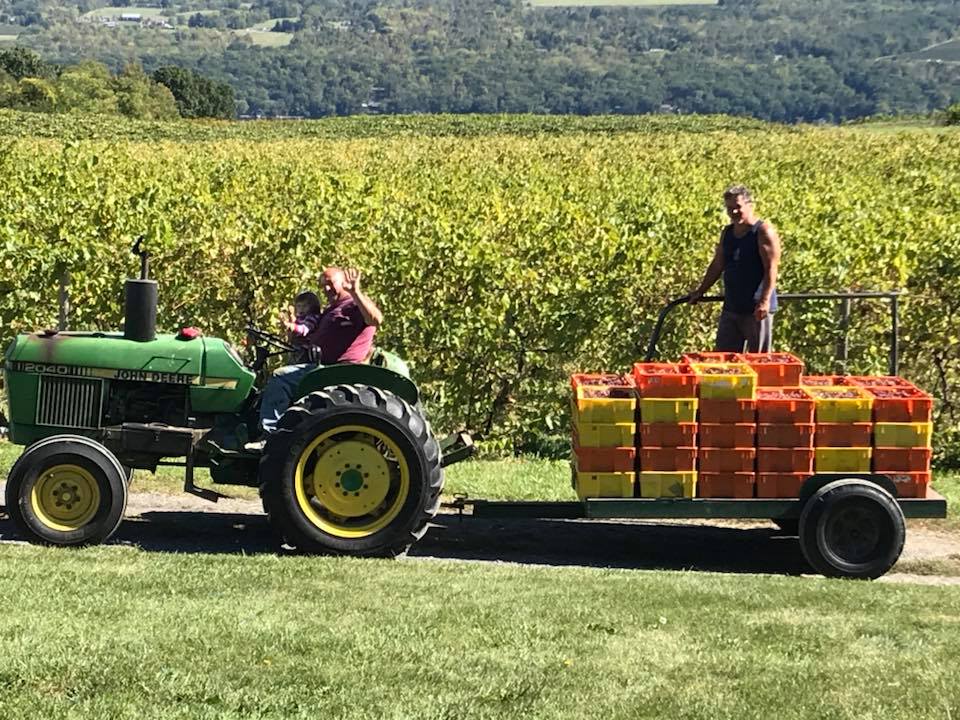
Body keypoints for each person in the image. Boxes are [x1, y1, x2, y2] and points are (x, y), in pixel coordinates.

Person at [248, 267, 384, 447]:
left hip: (337, 370)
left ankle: (270, 437)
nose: (326, 290)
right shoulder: (330, 310)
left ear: (343, 282)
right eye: (323, 286)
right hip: (318, 363)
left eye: (330, 284)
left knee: (280, 378)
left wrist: (355, 291)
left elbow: (376, 320)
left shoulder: (354, 305)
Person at [688, 185, 782, 352]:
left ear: (749, 205)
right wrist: (700, 291)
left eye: (738, 207)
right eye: (730, 208)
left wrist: (764, 301)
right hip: (732, 306)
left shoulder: (763, 232)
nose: (734, 212)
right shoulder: (728, 232)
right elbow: (718, 265)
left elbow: (771, 269)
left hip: (756, 310)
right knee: (725, 360)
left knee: (757, 361)